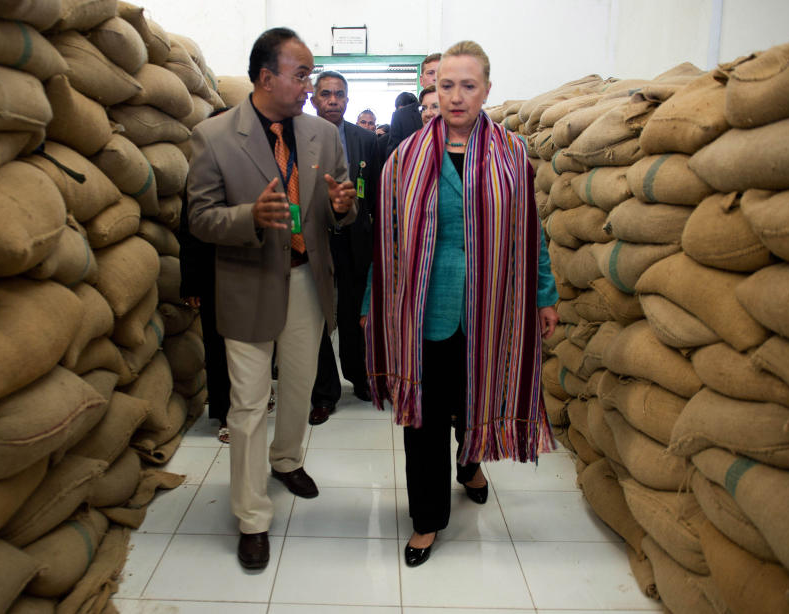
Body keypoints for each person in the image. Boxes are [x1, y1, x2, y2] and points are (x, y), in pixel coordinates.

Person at [363, 41, 559, 568]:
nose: (455, 96)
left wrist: (544, 294)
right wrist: (371, 302)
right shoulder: (404, 158)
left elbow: (530, 234)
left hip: (493, 310)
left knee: (476, 399)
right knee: (424, 416)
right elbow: (388, 240)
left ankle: (470, 465)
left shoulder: (513, 154)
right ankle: (426, 518)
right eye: (445, 85)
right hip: (424, 310)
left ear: (486, 90)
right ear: (434, 88)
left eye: (467, 86)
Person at [186, 27, 357, 570]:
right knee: (248, 402)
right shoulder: (213, 136)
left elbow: (339, 209)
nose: (310, 85)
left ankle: (287, 460)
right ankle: (251, 516)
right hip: (247, 282)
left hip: (308, 278)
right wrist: (248, 218)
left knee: (301, 385)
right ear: (266, 77)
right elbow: (199, 218)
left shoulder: (322, 136)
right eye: (301, 74)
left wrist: (342, 205)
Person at [308, 71, 382, 425]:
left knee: (355, 314)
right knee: (318, 316)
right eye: (326, 94)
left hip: (356, 239)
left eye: (339, 94)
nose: (333, 100)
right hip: (315, 240)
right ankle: (324, 393)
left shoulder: (365, 140)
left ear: (347, 101)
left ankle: (361, 378)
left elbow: (377, 192)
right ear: (314, 100)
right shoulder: (299, 137)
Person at [179, 107, 234, 444]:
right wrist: (192, 281)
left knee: (253, 342)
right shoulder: (200, 173)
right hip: (214, 271)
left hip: (253, 272)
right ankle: (226, 413)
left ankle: (252, 400)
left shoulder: (258, 167)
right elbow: (189, 230)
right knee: (217, 342)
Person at [386, 52, 441, 156]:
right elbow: (393, 160)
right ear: (421, 80)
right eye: (430, 73)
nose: (436, 78)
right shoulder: (401, 117)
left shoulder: (460, 114)